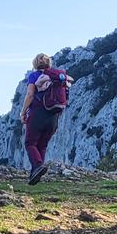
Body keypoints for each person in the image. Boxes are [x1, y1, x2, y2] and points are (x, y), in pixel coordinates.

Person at [19, 53, 73, 185]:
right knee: (42, 145)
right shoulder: (58, 78)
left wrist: (23, 111)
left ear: (35, 64)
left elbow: (30, 94)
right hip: (54, 116)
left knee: (30, 143)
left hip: (38, 114)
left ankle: (37, 166)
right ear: (49, 63)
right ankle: (34, 174)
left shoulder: (35, 76)